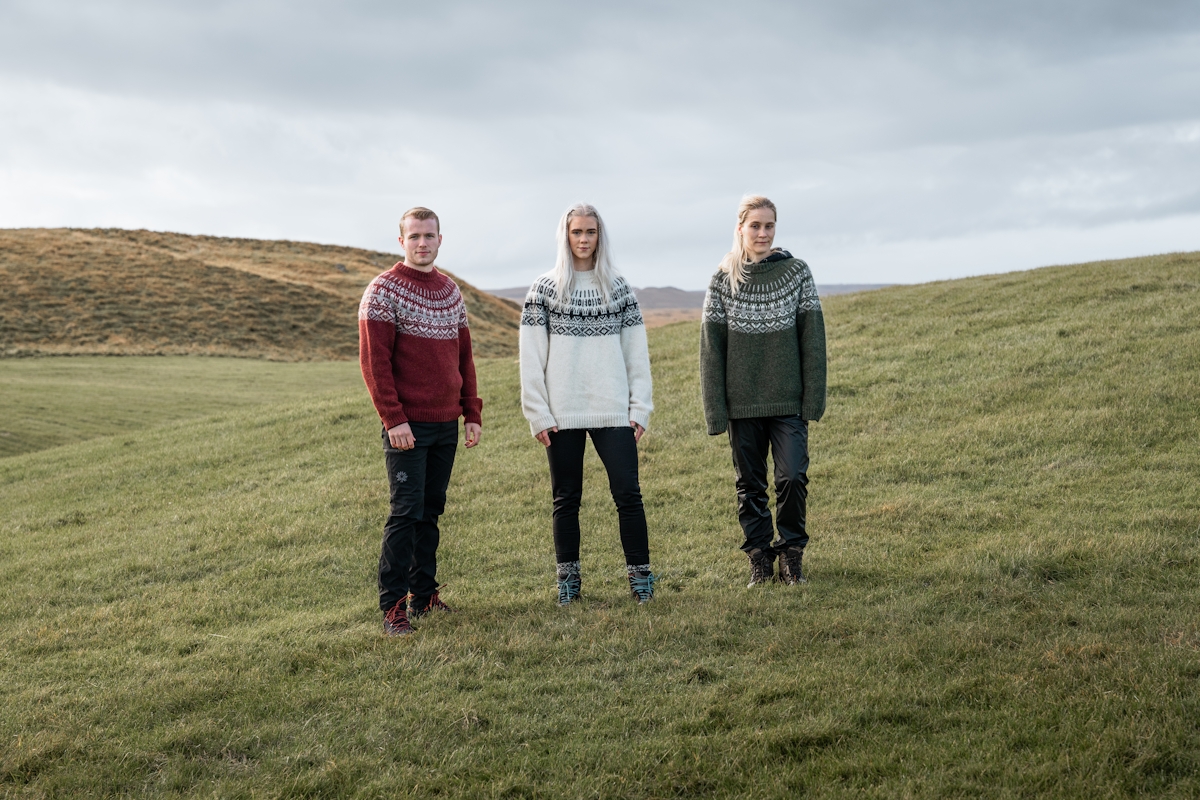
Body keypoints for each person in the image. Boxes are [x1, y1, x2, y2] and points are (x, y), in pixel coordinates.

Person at [520, 203, 656, 605]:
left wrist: (639, 407)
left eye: (590, 232)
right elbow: (531, 357)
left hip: (613, 410)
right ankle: (568, 585)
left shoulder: (618, 288)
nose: (583, 240)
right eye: (576, 232)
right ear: (565, 235)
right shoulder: (544, 289)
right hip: (562, 414)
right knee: (566, 499)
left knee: (628, 494)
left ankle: (641, 581)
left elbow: (637, 354)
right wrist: (538, 413)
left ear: (600, 236)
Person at [359, 207, 482, 636]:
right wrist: (394, 420)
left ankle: (424, 595)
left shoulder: (450, 292)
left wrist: (472, 412)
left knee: (431, 512)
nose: (422, 243)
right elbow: (376, 365)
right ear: (401, 242)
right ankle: (393, 608)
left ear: (440, 239)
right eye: (414, 237)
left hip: (446, 422)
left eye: (429, 236)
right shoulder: (383, 292)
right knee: (405, 513)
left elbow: (464, 356)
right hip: (406, 427)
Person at [699, 195, 827, 587]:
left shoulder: (796, 273)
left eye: (769, 225)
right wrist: (716, 411)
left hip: (787, 401)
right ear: (740, 228)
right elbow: (711, 351)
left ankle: (791, 554)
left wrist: (813, 400)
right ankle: (759, 558)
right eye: (755, 225)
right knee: (750, 486)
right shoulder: (724, 279)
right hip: (742, 405)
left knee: (792, 478)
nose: (763, 233)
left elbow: (813, 341)